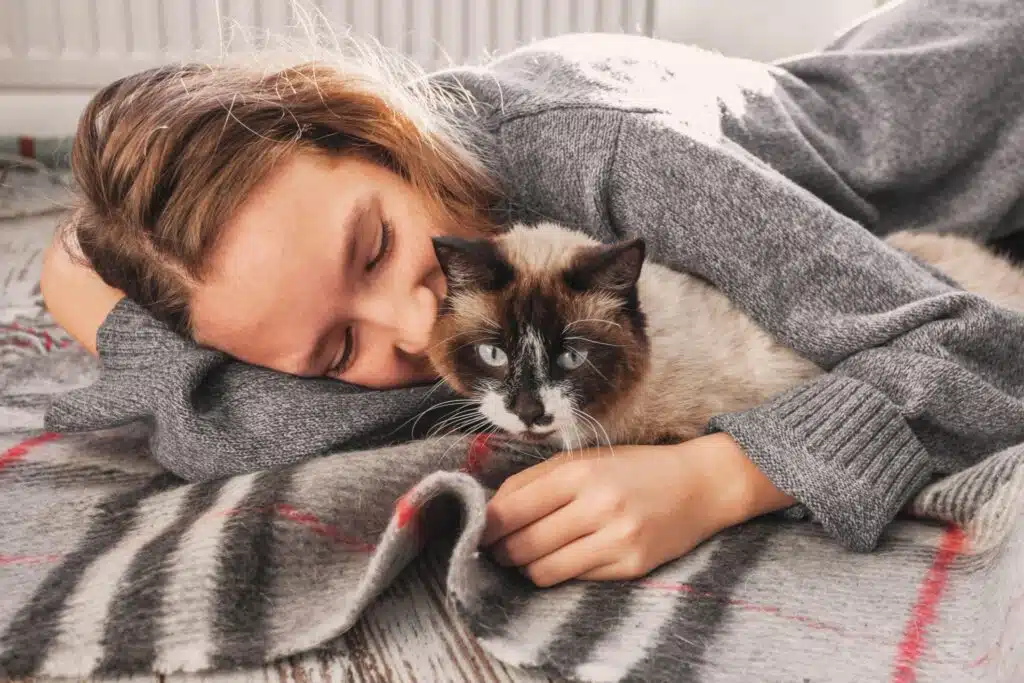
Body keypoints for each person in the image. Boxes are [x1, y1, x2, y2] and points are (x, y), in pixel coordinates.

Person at [40, 0, 1024, 587]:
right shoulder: (386, 285)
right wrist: (106, 321)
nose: (413, 322)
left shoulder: (610, 154)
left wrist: (720, 478)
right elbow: (253, 430)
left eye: (376, 247)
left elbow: (975, 350)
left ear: (373, 127)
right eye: (338, 350)